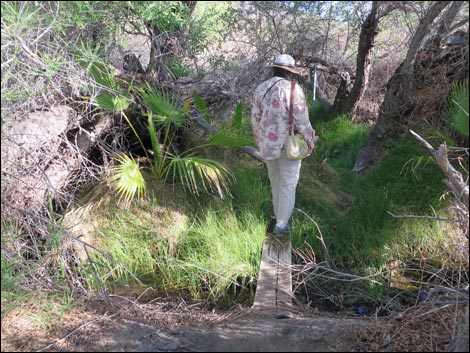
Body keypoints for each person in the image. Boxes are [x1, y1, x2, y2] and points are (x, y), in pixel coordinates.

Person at [251, 54, 316, 235]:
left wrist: (260, 142)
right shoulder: (294, 89)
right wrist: (310, 140)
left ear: (274, 69)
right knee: (287, 184)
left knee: (275, 181)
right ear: (290, 72)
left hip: (268, 146)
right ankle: (282, 225)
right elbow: (301, 120)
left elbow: (255, 119)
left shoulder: (260, 89)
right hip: (289, 147)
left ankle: (279, 216)